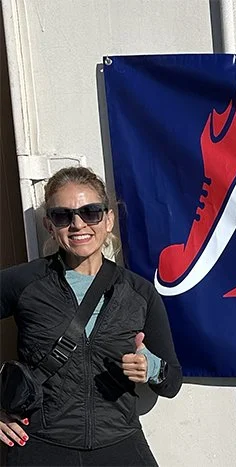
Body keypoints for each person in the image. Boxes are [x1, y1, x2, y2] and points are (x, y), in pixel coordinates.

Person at [0, 166, 182, 466]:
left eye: (91, 212)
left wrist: (152, 368)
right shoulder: (25, 283)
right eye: (63, 215)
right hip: (41, 447)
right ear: (49, 225)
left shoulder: (139, 292)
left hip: (119, 444)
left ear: (108, 219)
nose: (78, 224)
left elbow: (172, 381)